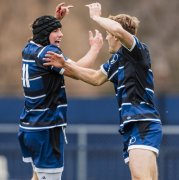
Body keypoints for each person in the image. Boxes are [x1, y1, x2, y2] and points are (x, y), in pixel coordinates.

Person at [43, 3, 162, 180]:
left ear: (116, 36)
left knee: (140, 177)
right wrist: (65, 65)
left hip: (142, 123)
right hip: (132, 126)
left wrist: (96, 17)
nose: (106, 38)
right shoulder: (116, 60)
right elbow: (95, 78)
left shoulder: (137, 52)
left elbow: (119, 31)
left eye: (108, 35)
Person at [18, 3, 103, 180]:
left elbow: (39, 34)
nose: (61, 34)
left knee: (37, 177)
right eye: (56, 31)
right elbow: (79, 71)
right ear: (46, 34)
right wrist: (95, 48)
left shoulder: (29, 48)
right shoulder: (48, 52)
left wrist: (55, 20)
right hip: (46, 128)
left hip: (29, 127)